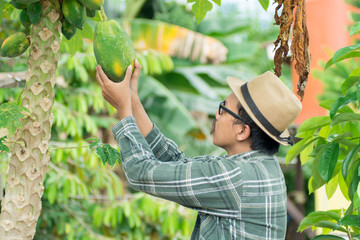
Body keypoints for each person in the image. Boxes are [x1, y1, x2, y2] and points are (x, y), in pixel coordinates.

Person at [95, 60, 302, 240]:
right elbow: (176, 163)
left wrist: (123, 109)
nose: (216, 114)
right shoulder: (258, 166)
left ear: (242, 131)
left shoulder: (237, 177)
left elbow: (140, 172)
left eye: (223, 108)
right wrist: (133, 100)